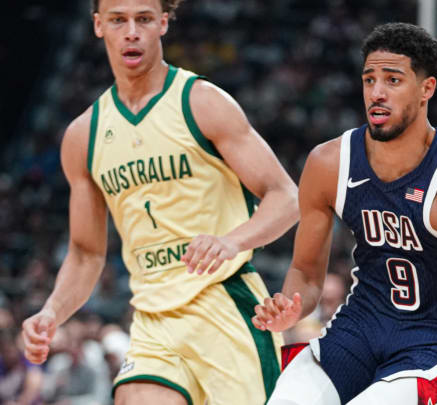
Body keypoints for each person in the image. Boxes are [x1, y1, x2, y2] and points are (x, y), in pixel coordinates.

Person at [20, 0, 299, 404]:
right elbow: (85, 253)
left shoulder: (201, 101)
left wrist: (233, 240)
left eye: (144, 19)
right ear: (99, 26)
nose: (131, 31)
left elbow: (286, 196)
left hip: (225, 306)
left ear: (163, 24)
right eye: (118, 20)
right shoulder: (85, 134)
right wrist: (51, 311)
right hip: (153, 320)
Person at [252, 22, 437, 405]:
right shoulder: (329, 162)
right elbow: (304, 273)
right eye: (369, 80)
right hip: (361, 326)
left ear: (426, 89)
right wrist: (292, 306)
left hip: (432, 341)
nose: (377, 93)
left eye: (393, 80)